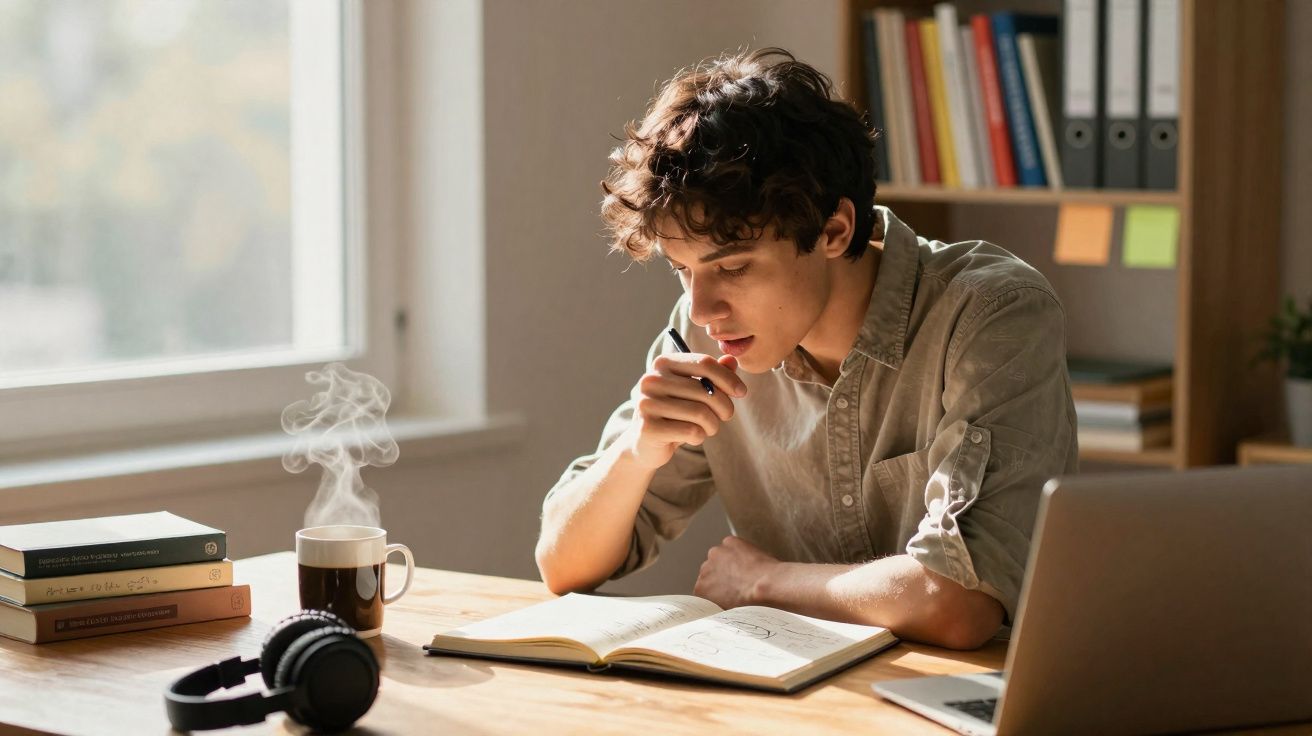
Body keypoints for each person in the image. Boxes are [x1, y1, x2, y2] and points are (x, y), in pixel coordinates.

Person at [535, 48, 1077, 650]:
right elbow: (563, 565)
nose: (703, 307)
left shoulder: (987, 314)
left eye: (734, 267)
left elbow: (957, 603)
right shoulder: (705, 331)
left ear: (833, 230)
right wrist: (638, 452)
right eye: (682, 270)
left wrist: (765, 582)